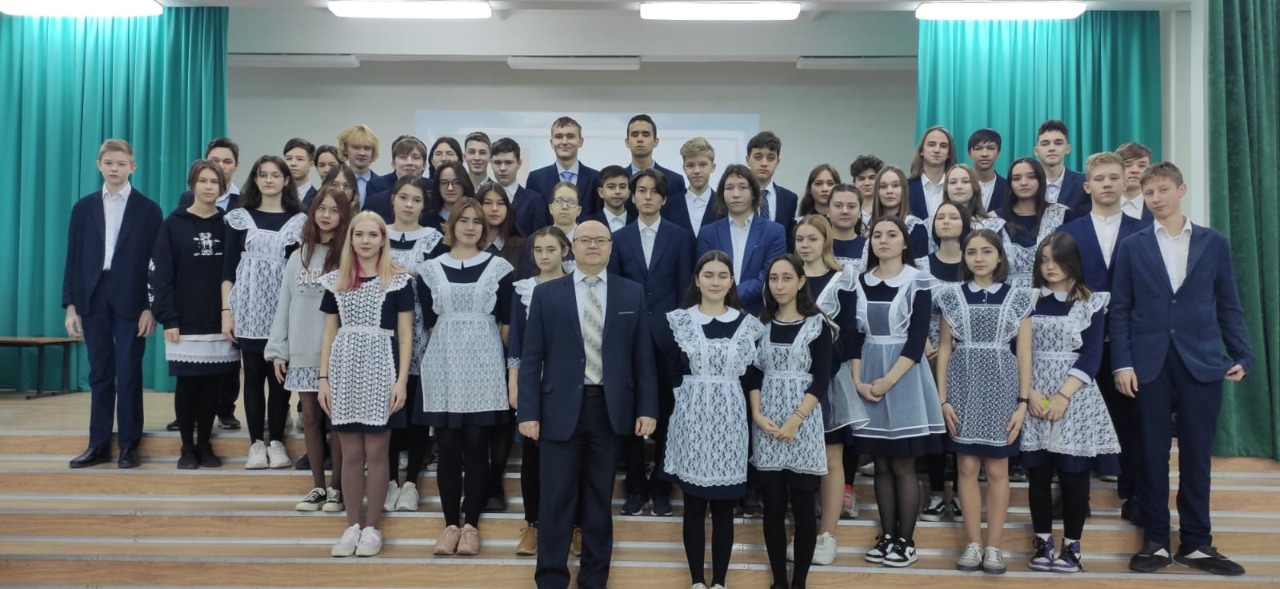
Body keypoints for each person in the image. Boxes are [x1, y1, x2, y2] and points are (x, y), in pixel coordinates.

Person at [1112, 162, 1253, 576]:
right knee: (1151, 453)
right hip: (1148, 363)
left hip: (1202, 360)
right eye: (1148, 192)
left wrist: (1242, 354)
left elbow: (1228, 302)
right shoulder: (1133, 246)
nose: (1155, 198)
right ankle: (1155, 541)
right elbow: (1120, 309)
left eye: (1162, 190)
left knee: (1197, 454)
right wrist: (1122, 362)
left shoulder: (1214, 242)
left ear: (1181, 190)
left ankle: (1196, 542)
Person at [516, 219, 658, 589]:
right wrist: (528, 412)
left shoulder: (631, 293)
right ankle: (551, 578)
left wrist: (647, 408)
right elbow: (531, 359)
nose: (593, 245)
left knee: (598, 500)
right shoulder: (547, 294)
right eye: (585, 240)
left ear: (611, 246)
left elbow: (643, 357)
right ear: (572, 247)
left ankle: (594, 579)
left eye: (601, 240)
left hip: (608, 411)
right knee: (555, 501)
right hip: (557, 412)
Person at [660, 251, 764, 589]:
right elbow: (672, 369)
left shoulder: (749, 325)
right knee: (693, 505)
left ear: (732, 281)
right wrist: (685, 403)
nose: (715, 281)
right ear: (697, 280)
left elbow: (751, 378)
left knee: (723, 508)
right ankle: (696, 581)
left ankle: (719, 581)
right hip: (691, 418)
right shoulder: (680, 320)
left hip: (730, 421)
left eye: (722, 275)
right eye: (708, 275)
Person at [416, 198, 515, 556]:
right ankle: (449, 526)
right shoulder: (429, 270)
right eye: (464, 220)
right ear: (452, 225)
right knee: (448, 448)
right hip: (444, 363)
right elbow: (429, 322)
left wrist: (490, 356)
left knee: (477, 448)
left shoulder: (500, 268)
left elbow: (506, 322)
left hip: (484, 364)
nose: (470, 226)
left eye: (476, 221)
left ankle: (470, 525)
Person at [933, 228, 1036, 574]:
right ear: (964, 257)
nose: (979, 258)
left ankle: (994, 546)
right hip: (962, 385)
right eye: (972, 252)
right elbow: (944, 348)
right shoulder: (951, 296)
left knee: (997, 469)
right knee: (965, 467)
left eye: (986, 251)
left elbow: (1024, 352)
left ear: (999, 256)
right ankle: (973, 543)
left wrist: (1023, 401)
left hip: (1003, 386)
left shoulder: (1018, 296)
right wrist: (943, 399)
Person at [1022, 232, 1120, 574]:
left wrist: (1063, 396)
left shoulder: (1090, 301)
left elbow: (1092, 354)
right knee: (1038, 473)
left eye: (1057, 259)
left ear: (1072, 261)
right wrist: (1030, 393)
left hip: (1075, 394)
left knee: (1073, 475)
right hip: (1033, 390)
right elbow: (1017, 348)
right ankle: (1042, 542)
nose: (1050, 267)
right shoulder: (1028, 299)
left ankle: (1072, 547)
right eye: (1043, 260)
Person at [318, 212, 414, 558]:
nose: (366, 241)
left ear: (383, 239)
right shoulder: (336, 280)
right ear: (351, 239)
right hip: (344, 370)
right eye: (359, 234)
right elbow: (329, 332)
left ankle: (372, 526)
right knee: (350, 454)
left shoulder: (398, 281)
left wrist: (401, 381)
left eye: (373, 234)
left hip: (381, 368)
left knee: (376, 451)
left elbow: (406, 336)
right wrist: (323, 379)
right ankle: (352, 525)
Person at [851, 216, 944, 569]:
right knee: (882, 463)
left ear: (905, 243)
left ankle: (906, 540)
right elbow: (855, 336)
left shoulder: (917, 280)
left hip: (903, 375)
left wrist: (888, 381)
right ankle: (888, 535)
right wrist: (859, 382)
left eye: (892, 235)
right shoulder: (859, 281)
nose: (883, 240)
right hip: (868, 373)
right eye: (877, 235)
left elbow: (918, 338)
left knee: (903, 463)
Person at [65, 139, 162, 470]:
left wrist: (150, 307)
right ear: (99, 165)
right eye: (108, 163)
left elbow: (156, 262)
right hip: (93, 295)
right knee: (100, 373)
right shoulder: (83, 208)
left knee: (128, 371)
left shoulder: (148, 209)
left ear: (132, 167)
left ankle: (130, 445)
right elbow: (73, 258)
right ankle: (99, 444)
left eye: (121, 163)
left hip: (132, 298)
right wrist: (70, 305)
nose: (114, 169)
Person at [1059, 152, 1145, 524]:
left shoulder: (1144, 229)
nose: (1107, 184)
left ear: (1125, 182)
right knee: (1075, 417)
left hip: (1130, 342)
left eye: (1113, 177)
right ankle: (1076, 498)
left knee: (1131, 420)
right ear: (1087, 185)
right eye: (1100, 178)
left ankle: (1134, 495)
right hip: (1080, 342)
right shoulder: (1070, 232)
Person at [609, 168, 696, 518]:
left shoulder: (680, 237)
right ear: (633, 197)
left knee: (665, 414)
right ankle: (635, 486)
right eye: (641, 190)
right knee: (631, 413)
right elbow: (615, 288)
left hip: (668, 339)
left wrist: (678, 335)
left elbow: (686, 291)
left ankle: (662, 485)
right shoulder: (620, 237)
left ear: (663, 198)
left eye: (654, 191)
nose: (647, 196)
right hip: (629, 337)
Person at [749, 253, 833, 589]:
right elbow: (753, 375)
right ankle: (779, 583)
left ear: (801, 282)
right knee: (772, 506)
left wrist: (796, 420)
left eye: (787, 278)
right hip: (767, 423)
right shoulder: (760, 325)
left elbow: (822, 378)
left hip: (803, 423)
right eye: (774, 278)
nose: (779, 285)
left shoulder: (817, 326)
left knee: (802, 507)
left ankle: (799, 583)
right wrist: (757, 414)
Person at [267, 186, 352, 512]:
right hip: (302, 348)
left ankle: (337, 489)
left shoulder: (348, 256)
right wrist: (279, 349)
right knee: (311, 417)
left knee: (336, 420)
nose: (326, 215)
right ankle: (318, 486)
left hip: (337, 352)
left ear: (343, 216)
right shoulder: (297, 256)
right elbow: (284, 304)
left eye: (334, 210)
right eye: (321, 209)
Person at [150, 159, 239, 469]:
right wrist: (168, 318)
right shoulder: (173, 223)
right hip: (184, 321)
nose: (208, 186)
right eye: (203, 181)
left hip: (218, 319)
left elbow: (234, 273)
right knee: (188, 387)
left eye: (214, 182)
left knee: (212, 388)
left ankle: (205, 445)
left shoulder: (228, 224)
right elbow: (162, 274)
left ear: (222, 187)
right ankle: (187, 447)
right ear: (192, 184)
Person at [221, 155, 307, 470]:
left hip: (283, 311)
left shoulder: (300, 220)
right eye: (263, 174)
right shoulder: (238, 217)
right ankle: (256, 443)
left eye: (275, 175)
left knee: (280, 378)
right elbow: (227, 271)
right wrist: (227, 311)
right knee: (254, 378)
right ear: (255, 179)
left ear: (286, 180)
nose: (269, 180)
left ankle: (277, 442)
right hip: (248, 309)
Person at [792, 215, 866, 566]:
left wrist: (842, 373)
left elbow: (849, 332)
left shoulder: (843, 279)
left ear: (826, 241)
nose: (805, 245)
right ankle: (802, 529)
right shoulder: (789, 276)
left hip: (831, 378)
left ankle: (827, 534)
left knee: (831, 458)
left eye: (812, 238)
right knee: (798, 459)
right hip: (792, 379)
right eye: (800, 239)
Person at [380, 176, 447, 514]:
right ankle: (390, 480)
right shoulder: (376, 234)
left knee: (417, 408)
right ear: (392, 199)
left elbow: (438, 287)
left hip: (421, 330)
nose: (409, 204)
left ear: (424, 205)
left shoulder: (434, 239)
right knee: (388, 409)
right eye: (403, 197)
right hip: (382, 330)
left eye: (416, 199)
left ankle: (411, 484)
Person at [506, 227, 573, 557]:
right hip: (534, 381)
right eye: (538, 250)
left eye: (551, 249)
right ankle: (533, 524)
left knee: (573, 456)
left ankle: (576, 526)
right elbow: (517, 341)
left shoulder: (578, 286)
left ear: (565, 251)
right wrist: (514, 383)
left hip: (570, 381)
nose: (544, 256)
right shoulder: (523, 289)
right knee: (532, 457)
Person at [920, 201, 970, 524]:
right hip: (929, 352)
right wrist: (926, 346)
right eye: (940, 217)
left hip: (967, 355)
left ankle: (963, 491)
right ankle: (937, 493)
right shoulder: (921, 264)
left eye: (953, 216)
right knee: (936, 424)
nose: (946, 221)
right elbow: (914, 309)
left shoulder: (974, 261)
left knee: (962, 422)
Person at [695, 164, 788, 316]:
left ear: (754, 193)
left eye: (743, 187)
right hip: (715, 312)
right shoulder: (708, 233)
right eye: (729, 188)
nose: (736, 194)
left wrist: (731, 296)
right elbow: (704, 274)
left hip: (759, 313)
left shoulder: (774, 232)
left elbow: (769, 275)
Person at [999, 157, 1072, 288]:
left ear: (1041, 180)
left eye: (1031, 177)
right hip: (1006, 294)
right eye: (1016, 178)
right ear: (1010, 184)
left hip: (1052, 292)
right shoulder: (994, 220)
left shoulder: (1061, 214)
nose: (1023, 183)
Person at [527, 116, 602, 220]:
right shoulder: (535, 179)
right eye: (559, 137)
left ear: (581, 141)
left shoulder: (596, 178)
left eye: (570, 136)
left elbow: (599, 217)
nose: (564, 142)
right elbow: (532, 218)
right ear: (551, 142)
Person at [490, 137, 552, 238]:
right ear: (491, 163)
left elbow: (539, 239)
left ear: (519, 163)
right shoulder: (482, 198)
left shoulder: (534, 201)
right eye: (497, 163)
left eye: (509, 163)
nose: (502, 168)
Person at [870, 166, 930, 269]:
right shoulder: (868, 225)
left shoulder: (915, 226)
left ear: (904, 189)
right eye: (883, 186)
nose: (889, 191)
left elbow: (920, 270)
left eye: (895, 185)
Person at [665, 137, 723, 237]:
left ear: (713, 167)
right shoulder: (669, 206)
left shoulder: (724, 205)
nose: (696, 171)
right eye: (690, 165)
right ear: (684, 168)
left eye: (703, 164)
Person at [363, 136, 428, 224]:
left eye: (416, 158)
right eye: (403, 157)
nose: (409, 163)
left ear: (424, 165)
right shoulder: (376, 188)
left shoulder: (432, 188)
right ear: (393, 164)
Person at [747, 131, 798, 239]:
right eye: (758, 157)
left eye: (770, 158)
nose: (764, 163)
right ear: (748, 160)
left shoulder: (789, 198)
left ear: (777, 162)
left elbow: (789, 239)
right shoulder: (737, 195)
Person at [624, 114, 687, 202]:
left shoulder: (674, 181)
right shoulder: (617, 181)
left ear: (655, 142)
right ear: (627, 142)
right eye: (634, 135)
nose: (640, 139)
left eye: (646, 135)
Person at [1033, 120, 1089, 217]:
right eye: (1045, 144)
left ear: (1068, 148)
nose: (1052, 148)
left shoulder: (1085, 183)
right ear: (1036, 151)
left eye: (1058, 143)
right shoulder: (1027, 184)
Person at [175, 137, 242, 214]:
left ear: (236, 166)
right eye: (215, 161)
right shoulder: (188, 198)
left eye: (227, 162)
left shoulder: (245, 201)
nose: (221, 166)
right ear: (206, 162)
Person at [479, 181, 530, 280]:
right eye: (488, 203)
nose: (494, 209)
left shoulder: (521, 246)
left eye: (500, 203)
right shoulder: (470, 245)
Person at [907, 126, 957, 221]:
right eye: (931, 144)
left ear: (949, 154)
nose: (937, 150)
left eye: (943, 146)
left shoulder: (958, 187)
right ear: (921, 151)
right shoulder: (906, 187)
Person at [944, 164, 1003, 233]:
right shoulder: (938, 223)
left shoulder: (992, 225)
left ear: (975, 187)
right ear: (946, 188)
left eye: (965, 181)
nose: (959, 186)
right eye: (953, 182)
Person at [336, 124, 382, 207]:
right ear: (345, 148)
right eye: (356, 147)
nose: (362, 153)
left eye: (367, 148)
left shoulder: (382, 186)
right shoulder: (334, 184)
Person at [826, 184, 867, 273]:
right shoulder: (817, 244)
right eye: (838, 206)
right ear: (828, 210)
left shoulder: (869, 247)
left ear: (860, 212)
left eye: (851, 206)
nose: (845, 211)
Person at [966, 128, 1007, 214]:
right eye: (978, 148)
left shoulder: (1008, 188)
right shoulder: (959, 185)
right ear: (969, 153)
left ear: (998, 153)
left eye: (990, 148)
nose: (984, 154)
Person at [590, 165, 636, 233]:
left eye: (622, 187)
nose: (617, 191)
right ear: (601, 192)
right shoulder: (589, 223)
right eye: (611, 187)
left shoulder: (637, 221)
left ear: (628, 192)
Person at [1115, 142, 1154, 221]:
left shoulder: (1157, 206)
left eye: (1142, 166)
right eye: (1127, 165)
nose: (1135, 170)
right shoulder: (1100, 205)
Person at [429, 161, 476, 227]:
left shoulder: (477, 217)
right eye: (444, 183)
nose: (450, 188)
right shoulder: (426, 220)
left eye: (456, 183)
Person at [849, 155, 884, 228]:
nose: (867, 183)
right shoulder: (848, 210)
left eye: (872, 178)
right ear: (854, 183)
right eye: (861, 179)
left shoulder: (887, 209)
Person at [283, 138, 318, 205]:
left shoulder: (318, 198)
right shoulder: (276, 195)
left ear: (311, 165)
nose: (293, 163)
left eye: (299, 159)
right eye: (288, 158)